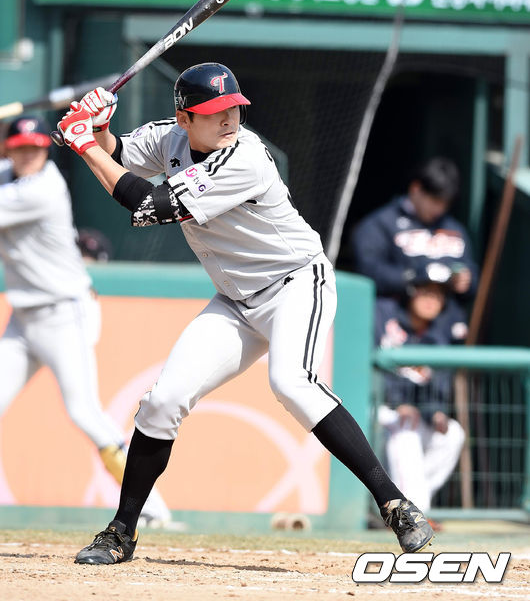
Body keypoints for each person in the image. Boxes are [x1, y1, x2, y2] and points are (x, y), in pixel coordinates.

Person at [57, 63, 435, 565]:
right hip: (236, 300)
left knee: (291, 383)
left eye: (234, 108)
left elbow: (148, 205)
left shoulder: (245, 157)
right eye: (214, 112)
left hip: (295, 283)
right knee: (162, 401)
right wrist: (100, 130)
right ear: (184, 118)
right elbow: (120, 154)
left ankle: (396, 504)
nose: (229, 119)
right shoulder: (169, 137)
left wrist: (83, 144)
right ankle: (120, 532)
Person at [0, 116, 171, 527]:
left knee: (84, 411)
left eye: (36, 147)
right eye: (21, 148)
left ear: (45, 149)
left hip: (63, 314)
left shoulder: (43, 189)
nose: (29, 155)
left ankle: (150, 507)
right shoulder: (9, 175)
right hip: (24, 318)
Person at [375, 267, 466, 519]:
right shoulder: (383, 315)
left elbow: (438, 386)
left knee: (453, 433)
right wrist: (398, 403)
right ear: (411, 293)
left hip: (415, 416)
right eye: (426, 292)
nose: (431, 300)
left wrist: (435, 412)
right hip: (381, 411)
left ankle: (402, 506)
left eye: (438, 295)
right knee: (406, 426)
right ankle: (414, 515)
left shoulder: (439, 335)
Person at [351, 157, 479, 306]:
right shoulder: (380, 224)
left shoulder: (454, 229)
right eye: (435, 200)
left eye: (445, 203)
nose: (439, 209)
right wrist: (412, 276)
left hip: (445, 316)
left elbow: (472, 277)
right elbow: (368, 272)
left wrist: (465, 282)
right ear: (416, 189)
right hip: (395, 314)